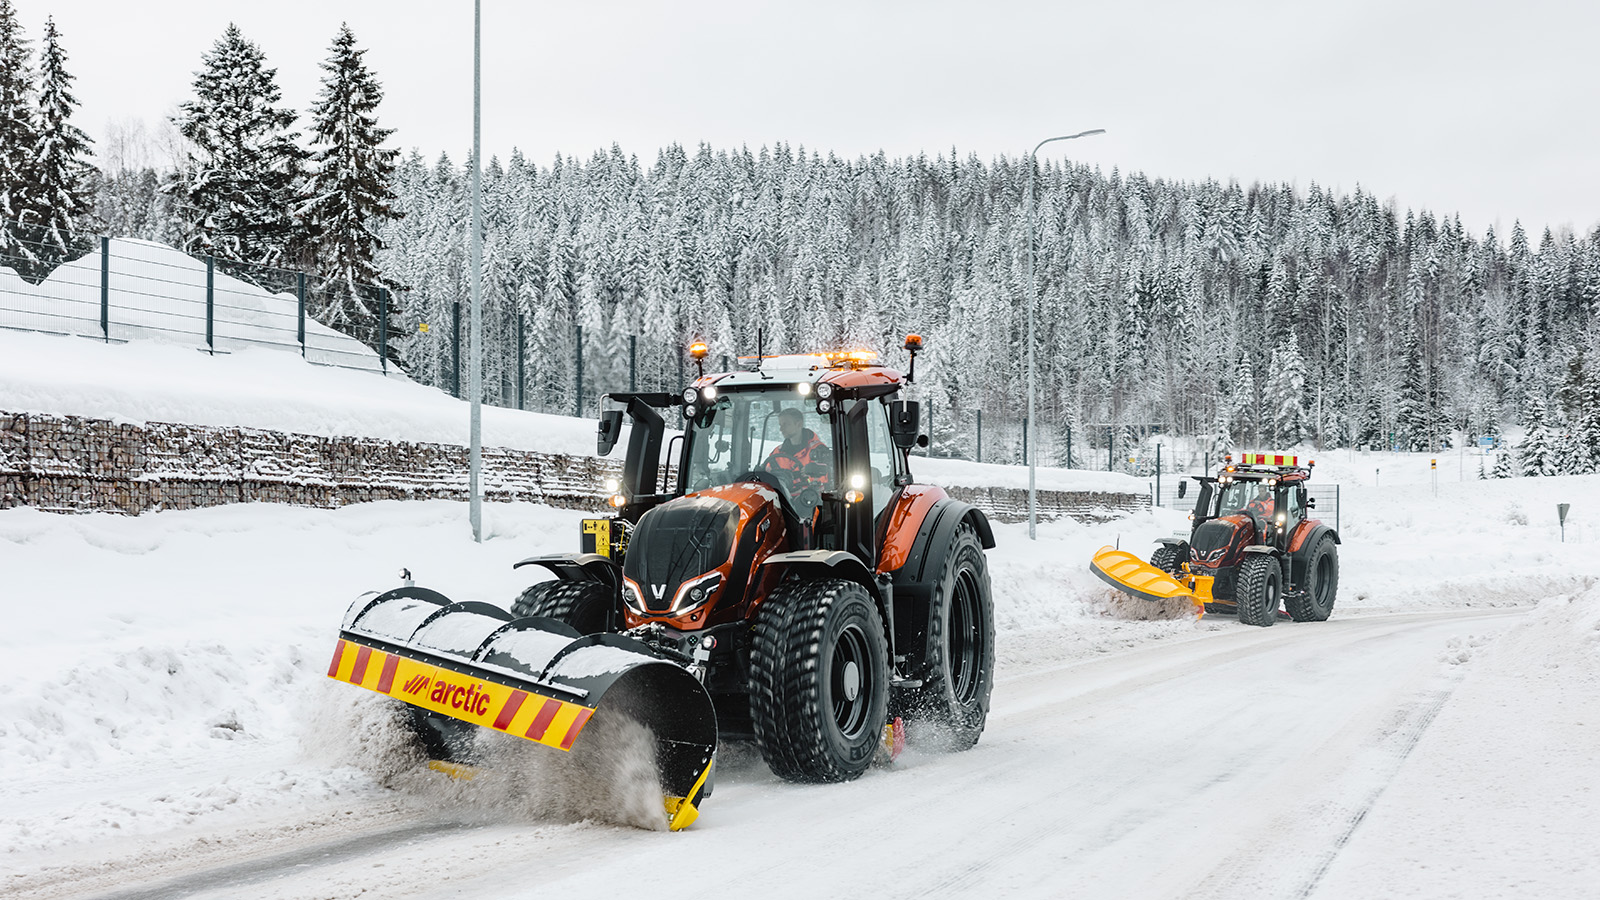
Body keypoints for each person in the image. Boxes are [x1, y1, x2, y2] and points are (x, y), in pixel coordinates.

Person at [763, 407, 830, 498]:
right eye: (780, 425)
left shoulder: (818, 450)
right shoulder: (777, 453)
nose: (781, 429)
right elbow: (766, 473)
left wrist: (808, 476)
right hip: (782, 500)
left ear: (799, 424)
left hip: (809, 501)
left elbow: (828, 477)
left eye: (786, 424)